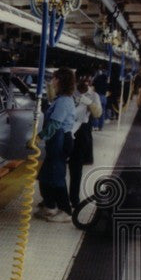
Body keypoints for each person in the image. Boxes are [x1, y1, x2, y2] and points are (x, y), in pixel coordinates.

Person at [36, 68, 77, 222]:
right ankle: (50, 206)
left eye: (53, 79)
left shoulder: (64, 101)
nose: (52, 81)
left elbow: (54, 124)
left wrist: (39, 137)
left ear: (60, 80)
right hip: (56, 140)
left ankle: (66, 211)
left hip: (60, 140)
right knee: (46, 176)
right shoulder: (60, 99)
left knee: (56, 176)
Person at [68, 70, 103, 211]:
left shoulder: (94, 96)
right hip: (67, 131)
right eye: (81, 81)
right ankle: (54, 199)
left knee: (76, 169)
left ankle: (74, 199)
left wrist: (89, 103)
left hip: (81, 135)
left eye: (87, 81)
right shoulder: (70, 92)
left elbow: (97, 114)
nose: (84, 83)